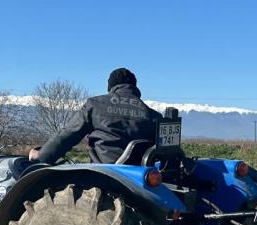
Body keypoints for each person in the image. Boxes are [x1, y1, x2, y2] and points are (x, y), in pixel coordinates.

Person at [29, 68, 162, 165]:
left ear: (111, 87)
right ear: (134, 87)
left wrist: (42, 156)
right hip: (141, 179)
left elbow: (68, 135)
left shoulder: (95, 105)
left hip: (104, 176)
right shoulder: (154, 115)